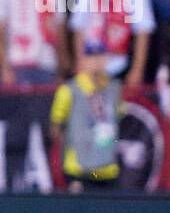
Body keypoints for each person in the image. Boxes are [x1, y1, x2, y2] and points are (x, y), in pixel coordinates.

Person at [50, 41, 124, 192]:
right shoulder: (69, 90)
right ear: (83, 60)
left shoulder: (113, 88)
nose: (96, 61)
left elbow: (117, 119)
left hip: (107, 168)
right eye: (91, 56)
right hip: (79, 169)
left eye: (100, 56)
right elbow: (56, 126)